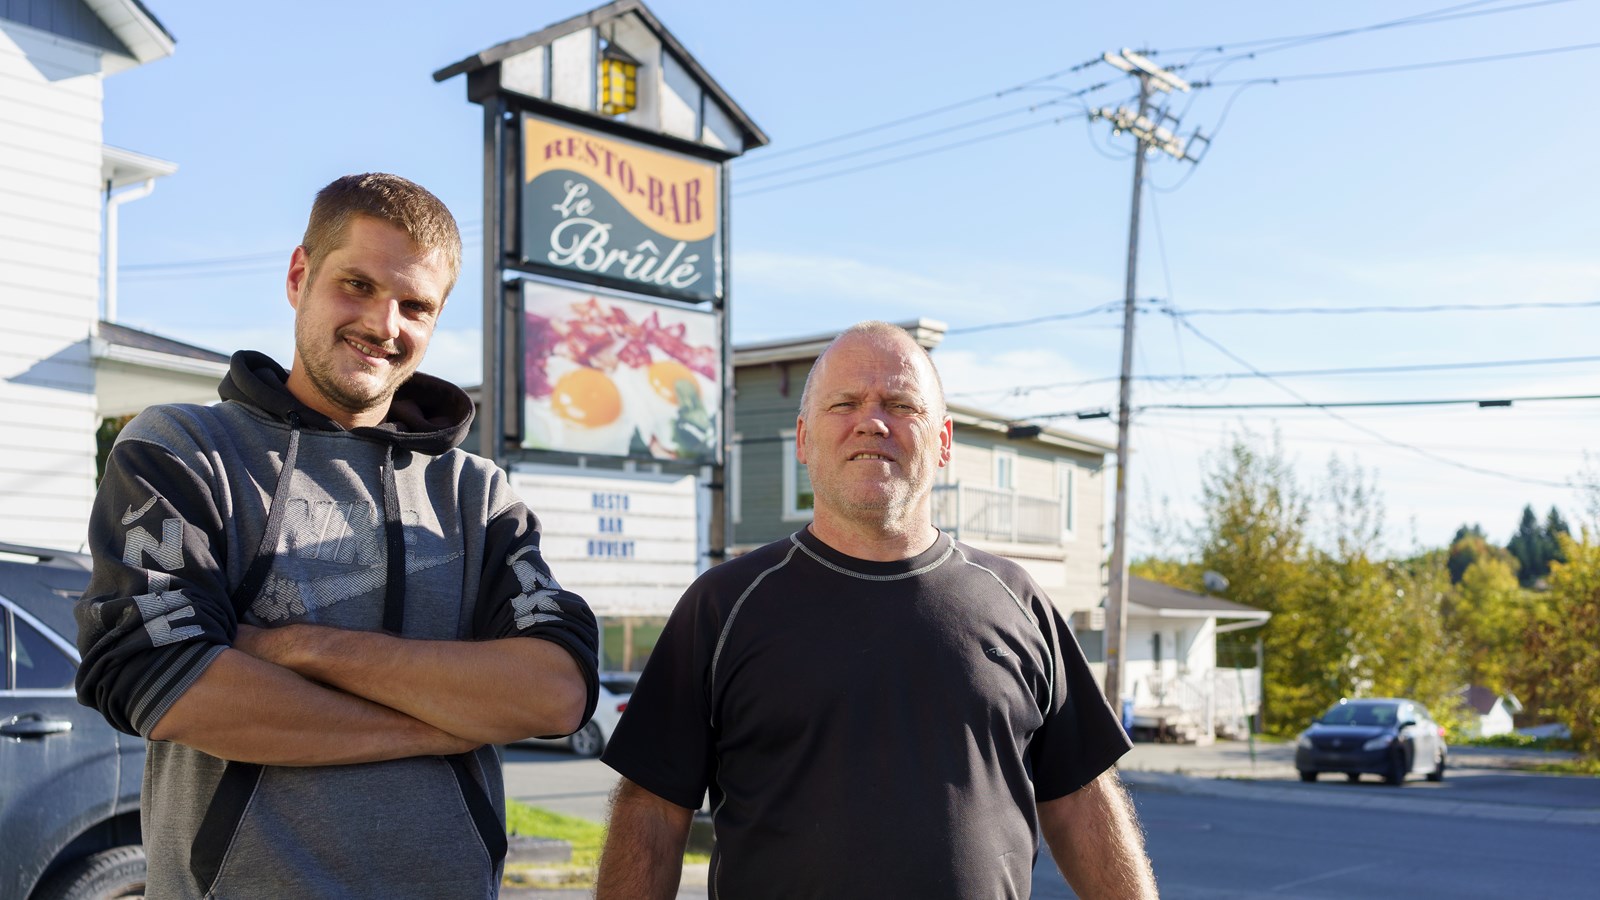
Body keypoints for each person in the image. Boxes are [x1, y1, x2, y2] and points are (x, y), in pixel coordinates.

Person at [75, 173, 599, 899]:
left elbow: (555, 693)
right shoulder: (183, 450)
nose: (385, 324)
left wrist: (296, 647)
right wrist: (446, 723)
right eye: (357, 285)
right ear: (300, 276)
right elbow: (169, 686)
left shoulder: (477, 495)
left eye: (415, 305)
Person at [595, 321, 1158, 899]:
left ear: (943, 440)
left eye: (899, 403)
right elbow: (652, 814)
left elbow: (1081, 800)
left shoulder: (1016, 598)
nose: (871, 420)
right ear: (802, 439)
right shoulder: (723, 606)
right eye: (844, 403)